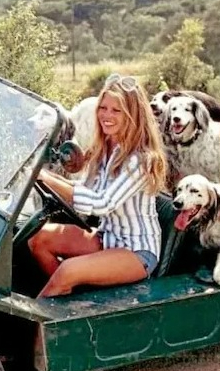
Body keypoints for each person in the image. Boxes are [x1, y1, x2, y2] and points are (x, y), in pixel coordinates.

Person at [28, 73, 168, 298]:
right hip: (107, 238)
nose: (106, 115)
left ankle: (38, 320)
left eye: (116, 110)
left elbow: (103, 203)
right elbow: (84, 191)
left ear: (133, 115)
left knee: (67, 271)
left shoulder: (142, 159)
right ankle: (69, 303)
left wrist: (46, 178)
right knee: (38, 238)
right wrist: (41, 175)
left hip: (136, 252)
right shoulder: (106, 149)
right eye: (103, 108)